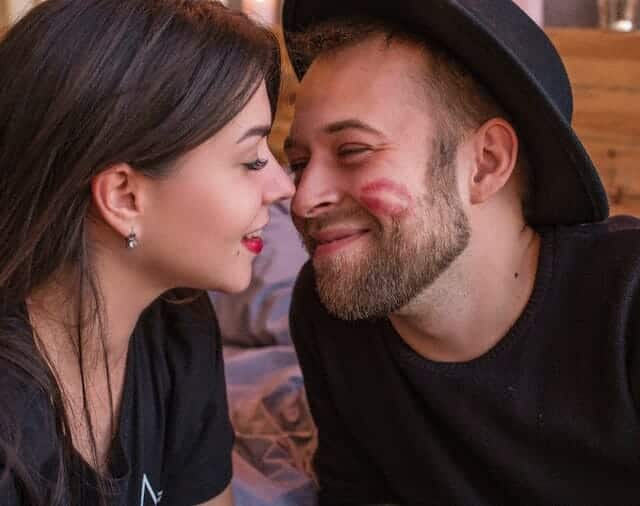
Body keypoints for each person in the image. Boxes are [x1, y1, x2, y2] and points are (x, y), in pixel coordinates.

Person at [281, 0, 640, 504]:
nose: (302, 198)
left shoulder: (627, 299)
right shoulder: (327, 310)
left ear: (485, 163)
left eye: (353, 151)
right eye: (298, 163)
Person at [0, 0, 294, 504]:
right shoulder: (11, 414)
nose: (282, 186)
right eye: (250, 160)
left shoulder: (176, 321)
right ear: (124, 196)